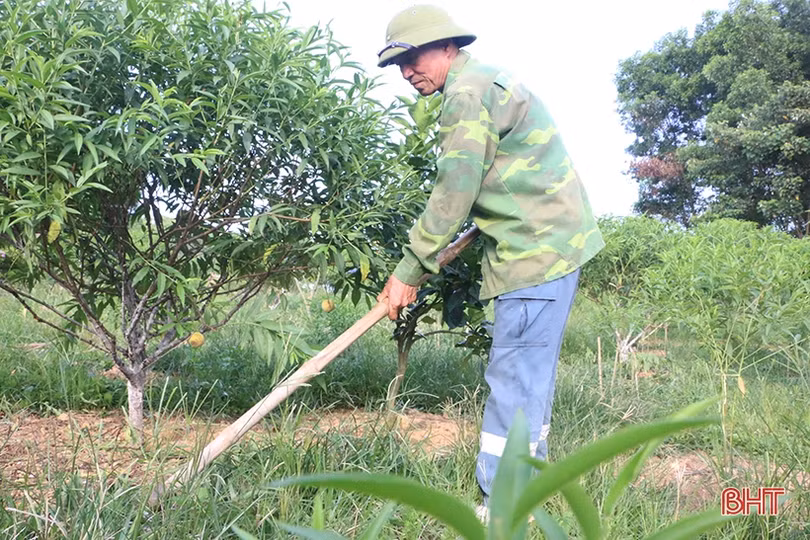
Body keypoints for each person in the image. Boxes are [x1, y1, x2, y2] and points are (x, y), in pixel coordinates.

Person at [375, 4, 605, 519]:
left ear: (448, 47)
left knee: (515, 380)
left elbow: (454, 189)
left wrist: (409, 269)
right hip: (551, 246)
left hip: (533, 255)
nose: (407, 72)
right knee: (529, 380)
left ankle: (502, 508)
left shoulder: (466, 94)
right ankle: (525, 493)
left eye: (413, 59)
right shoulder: (487, 79)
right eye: (399, 64)